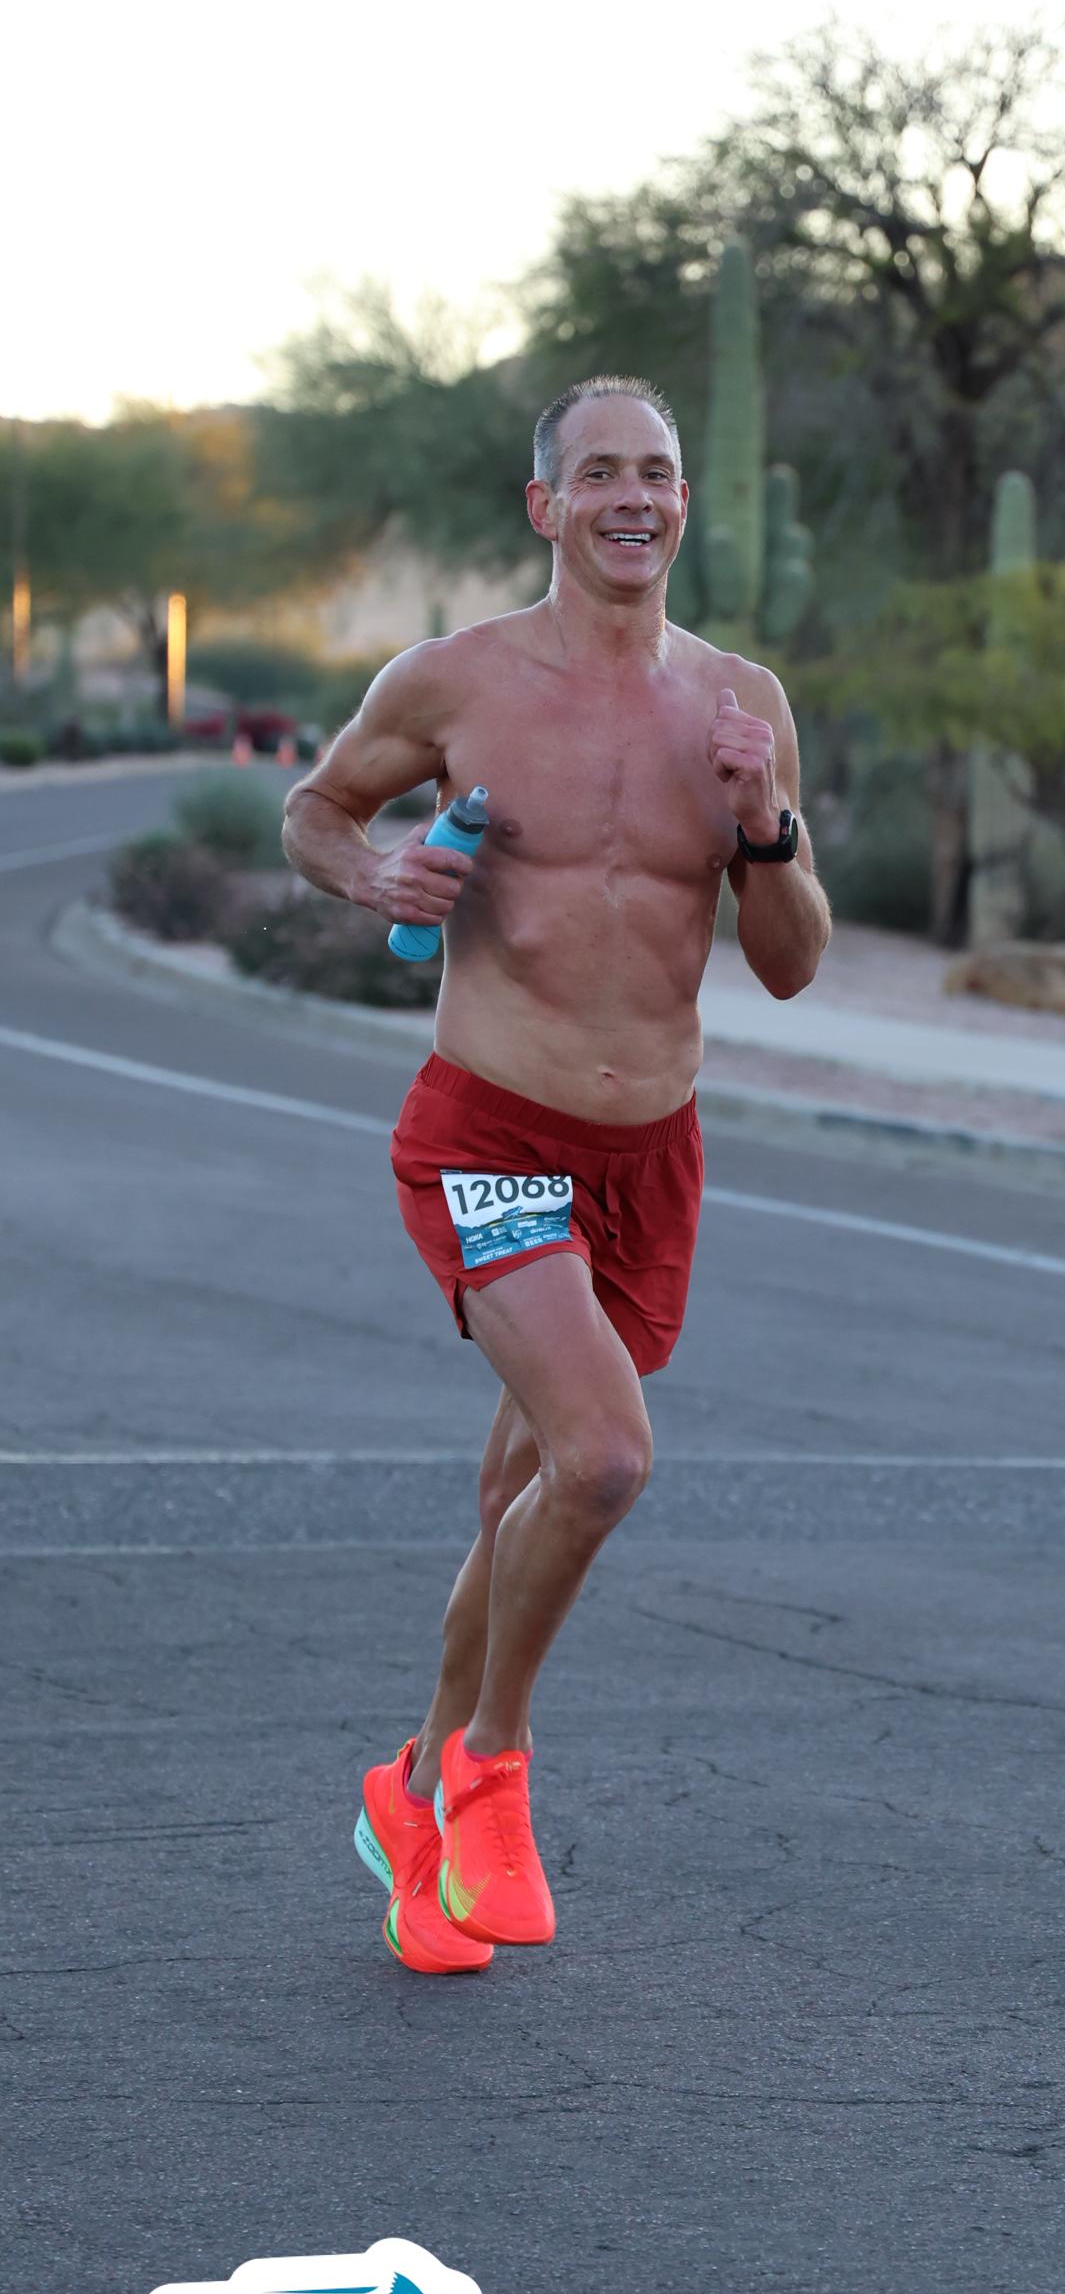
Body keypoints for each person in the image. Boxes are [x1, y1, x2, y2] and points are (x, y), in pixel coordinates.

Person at [283, 376, 831, 1975]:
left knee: (517, 1496)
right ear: (547, 506)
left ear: (685, 501)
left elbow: (791, 964)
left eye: (656, 471)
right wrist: (373, 874)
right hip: (493, 1132)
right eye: (599, 473)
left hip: (649, 1152)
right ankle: (490, 1771)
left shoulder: (740, 704)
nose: (632, 496)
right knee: (599, 1460)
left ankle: (405, 1801)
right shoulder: (453, 680)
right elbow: (315, 810)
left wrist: (765, 824)